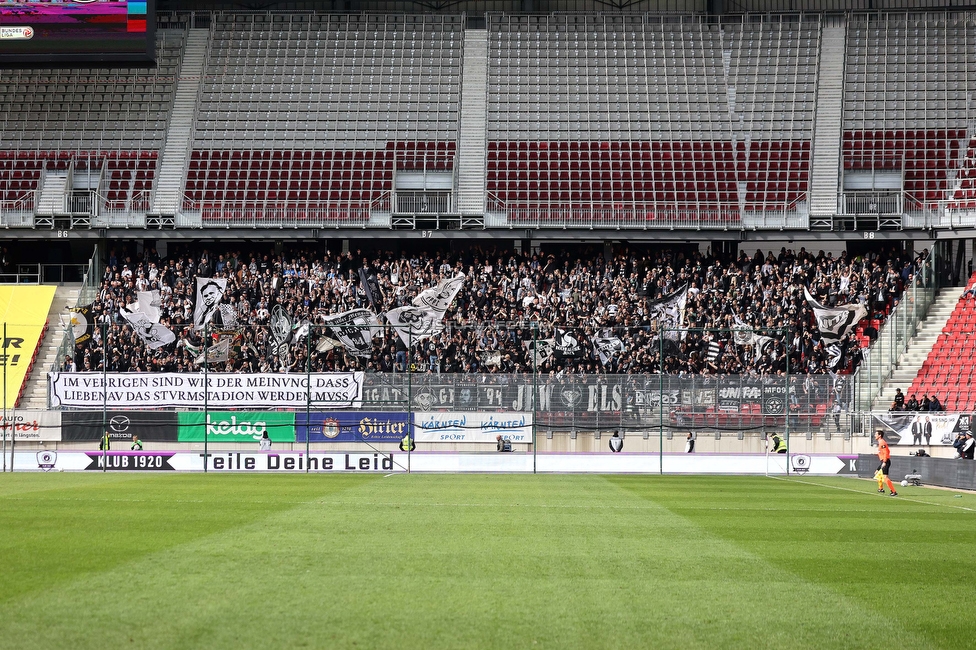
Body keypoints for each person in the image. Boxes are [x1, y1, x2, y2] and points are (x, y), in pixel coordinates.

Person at [875, 430, 897, 496]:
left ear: (879, 435)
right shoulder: (880, 442)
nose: (875, 435)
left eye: (876, 434)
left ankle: (893, 491)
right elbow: (884, 452)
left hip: (885, 461)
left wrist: (884, 461)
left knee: (884, 477)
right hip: (883, 461)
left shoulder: (882, 442)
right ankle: (880, 488)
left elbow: (886, 452)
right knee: (878, 473)